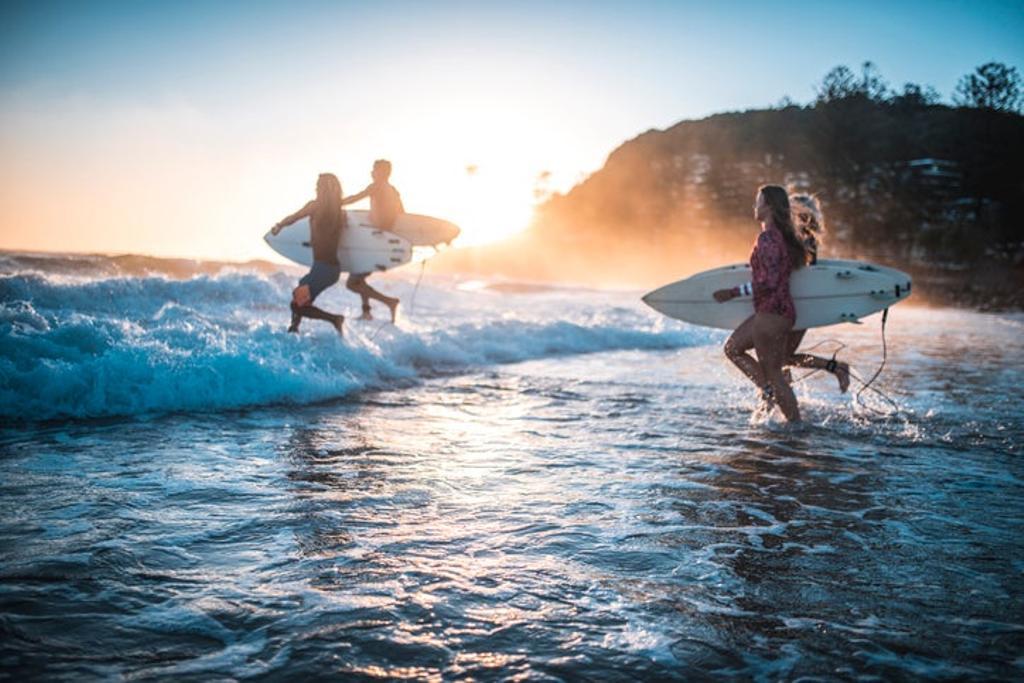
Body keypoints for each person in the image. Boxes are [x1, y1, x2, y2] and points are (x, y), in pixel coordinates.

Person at [713, 185, 808, 422]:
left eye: (758, 202)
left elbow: (769, 282)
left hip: (772, 313)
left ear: (769, 207)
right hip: (774, 312)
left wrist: (732, 292)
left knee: (775, 373)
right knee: (733, 349)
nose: (754, 206)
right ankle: (768, 393)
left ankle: (795, 426)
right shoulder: (779, 238)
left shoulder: (768, 238)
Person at [782, 193, 850, 391]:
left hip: (797, 303)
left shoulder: (803, 239)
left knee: (781, 357)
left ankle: (837, 368)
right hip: (792, 301)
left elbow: (805, 273)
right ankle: (778, 397)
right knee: (780, 357)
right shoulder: (799, 237)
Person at [270, 173, 346, 336]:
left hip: (324, 269)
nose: (316, 188)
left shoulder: (315, 206)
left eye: (319, 185)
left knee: (297, 304)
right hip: (329, 269)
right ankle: (294, 328)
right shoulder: (339, 212)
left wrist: (279, 226)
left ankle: (334, 319)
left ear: (324, 188)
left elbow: (295, 217)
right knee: (301, 293)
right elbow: (328, 237)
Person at [341, 159, 402, 322]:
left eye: (374, 169)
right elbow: (403, 216)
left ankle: (389, 302)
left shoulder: (376, 186)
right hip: (382, 243)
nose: (371, 172)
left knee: (352, 283)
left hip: (374, 243)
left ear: (382, 173)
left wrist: (335, 202)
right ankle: (366, 312)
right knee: (358, 278)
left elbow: (356, 198)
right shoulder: (394, 191)